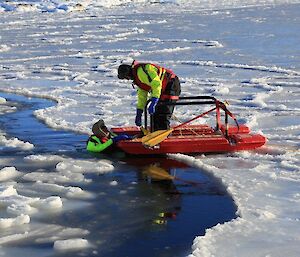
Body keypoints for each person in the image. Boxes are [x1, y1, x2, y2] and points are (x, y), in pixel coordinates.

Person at [117, 60, 181, 131]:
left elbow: (156, 83)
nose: (127, 79)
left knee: (163, 114)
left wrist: (154, 100)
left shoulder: (142, 72)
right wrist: (139, 111)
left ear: (128, 73)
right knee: (155, 116)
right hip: (162, 90)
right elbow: (142, 95)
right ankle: (156, 133)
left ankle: (164, 136)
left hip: (171, 85)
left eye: (126, 77)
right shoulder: (138, 78)